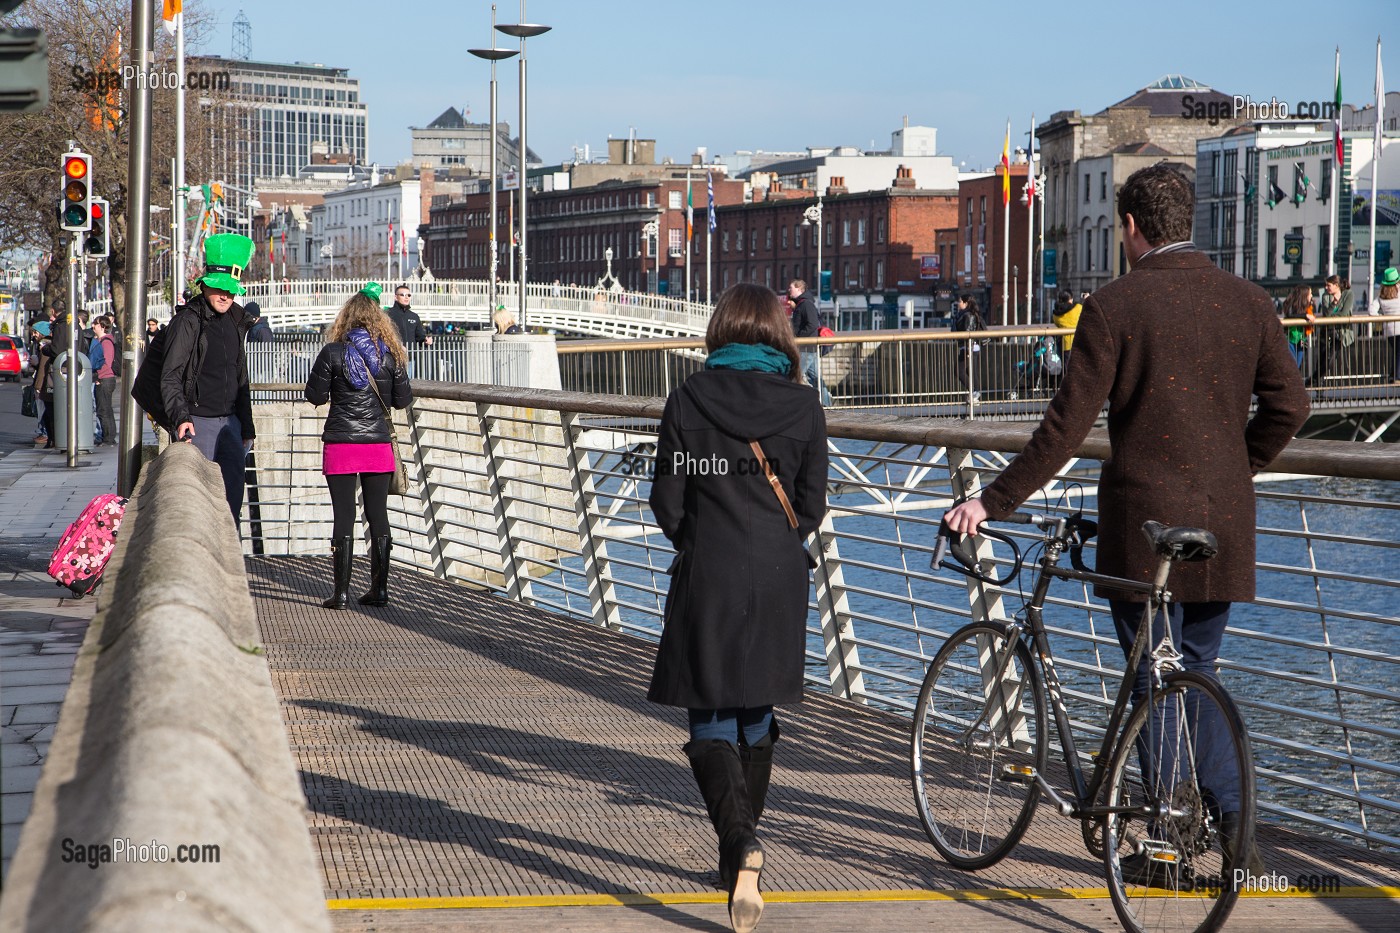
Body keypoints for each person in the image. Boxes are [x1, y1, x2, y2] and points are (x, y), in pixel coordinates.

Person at [943, 164, 1309, 883]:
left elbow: (1063, 430)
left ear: (1133, 229)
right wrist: (1238, 469)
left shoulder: (1114, 307)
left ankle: (1168, 849)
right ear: (1188, 221)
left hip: (1143, 529)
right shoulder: (1250, 302)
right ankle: (1237, 831)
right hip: (1224, 524)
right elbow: (1290, 407)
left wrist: (991, 500)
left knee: (1151, 681)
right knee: (1195, 670)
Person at [649, 283, 828, 933]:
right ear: (779, 332)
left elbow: (667, 503)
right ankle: (739, 856)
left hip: (712, 573)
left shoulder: (689, 399)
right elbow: (810, 505)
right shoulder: (804, 404)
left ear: (720, 331)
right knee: (756, 713)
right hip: (780, 578)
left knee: (711, 721)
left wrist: (702, 539)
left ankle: (740, 843)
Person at [304, 282, 412, 610]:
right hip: (377, 444)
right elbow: (402, 400)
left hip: (341, 443)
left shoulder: (332, 353)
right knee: (378, 514)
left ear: (345, 319)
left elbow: (315, 396)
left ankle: (340, 594)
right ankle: (379, 590)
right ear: (379, 319)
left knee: (344, 515)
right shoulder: (389, 354)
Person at [160, 233, 258, 528]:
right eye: (219, 289)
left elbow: (241, 378)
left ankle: (230, 571)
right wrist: (181, 418)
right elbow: (170, 375)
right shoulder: (188, 321)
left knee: (231, 508)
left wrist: (247, 426)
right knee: (198, 506)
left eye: (231, 291)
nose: (225, 296)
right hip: (197, 423)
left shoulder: (237, 321)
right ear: (205, 284)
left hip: (231, 425)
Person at [785, 279, 828, 404]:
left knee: (795, 377)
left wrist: (798, 337)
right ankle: (828, 404)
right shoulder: (801, 304)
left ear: (799, 289)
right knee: (816, 378)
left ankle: (791, 404)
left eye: (791, 287)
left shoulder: (806, 304)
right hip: (808, 348)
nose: (789, 290)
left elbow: (812, 325)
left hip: (806, 348)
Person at [1312, 274, 1355, 385]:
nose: (1326, 288)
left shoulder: (1348, 294)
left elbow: (1344, 313)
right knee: (1321, 359)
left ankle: (1314, 379)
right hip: (1326, 331)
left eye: (1328, 285)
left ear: (1336, 285)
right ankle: (1318, 384)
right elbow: (1326, 314)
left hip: (1340, 332)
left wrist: (1333, 316)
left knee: (1330, 360)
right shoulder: (1325, 296)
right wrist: (1333, 304)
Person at [88, 316, 118, 446]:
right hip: (104, 379)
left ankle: (108, 438)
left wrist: (98, 377)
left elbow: (106, 362)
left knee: (104, 410)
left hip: (105, 379)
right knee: (105, 409)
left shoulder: (106, 342)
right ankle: (108, 437)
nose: (93, 326)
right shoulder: (101, 341)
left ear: (103, 326)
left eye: (96, 324)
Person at [951, 294, 986, 402]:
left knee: (959, 371)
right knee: (971, 371)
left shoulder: (967, 315)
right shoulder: (965, 314)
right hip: (970, 347)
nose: (958, 303)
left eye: (960, 301)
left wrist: (967, 349)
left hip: (968, 347)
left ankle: (974, 392)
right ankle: (975, 393)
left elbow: (968, 332)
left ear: (965, 303)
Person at [30, 322, 54, 448]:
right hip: (47, 383)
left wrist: (38, 387)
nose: (33, 335)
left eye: (35, 332)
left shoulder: (45, 346)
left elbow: (42, 370)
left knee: (46, 414)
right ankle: (50, 437)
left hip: (46, 385)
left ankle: (50, 438)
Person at [1374, 266, 1400, 382]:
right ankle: (1396, 376)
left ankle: (1392, 375)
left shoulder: (1381, 296)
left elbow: (1371, 311)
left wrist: (1382, 317)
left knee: (1397, 352)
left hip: (1389, 329)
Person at [1281, 284, 1314, 371]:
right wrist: (1305, 315)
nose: (1312, 296)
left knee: (1297, 366)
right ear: (1304, 295)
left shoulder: (1308, 307)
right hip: (1290, 338)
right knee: (1292, 366)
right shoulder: (1292, 305)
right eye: (1310, 294)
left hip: (1301, 340)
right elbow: (1290, 315)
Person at [1052, 289, 1082, 370]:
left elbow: (1057, 324)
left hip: (1066, 344)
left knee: (1067, 368)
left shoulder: (1056, 314)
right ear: (1070, 299)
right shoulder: (1078, 308)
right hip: (1079, 343)